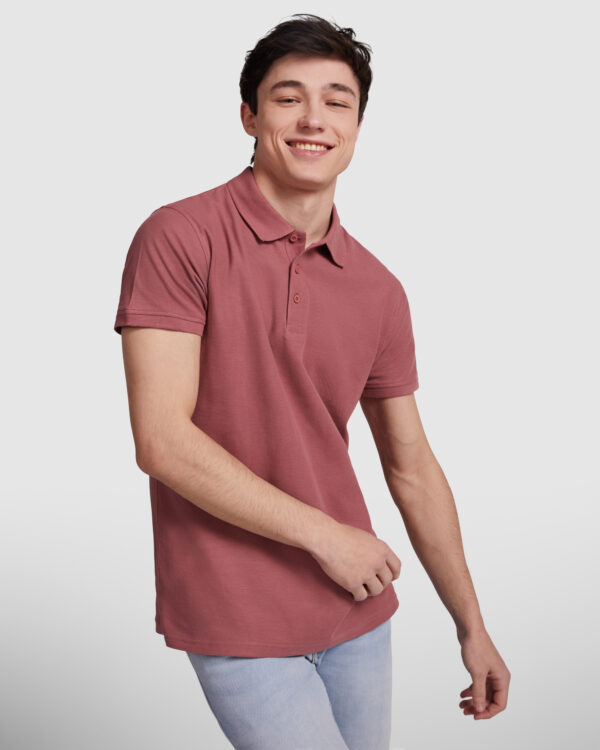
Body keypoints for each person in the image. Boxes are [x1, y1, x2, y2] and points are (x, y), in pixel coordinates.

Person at [113, 12, 510, 750]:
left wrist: (472, 625)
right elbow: (162, 440)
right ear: (248, 115)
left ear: (357, 125)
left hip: (356, 606)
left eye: (337, 100)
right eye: (288, 97)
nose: (313, 119)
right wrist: (328, 537)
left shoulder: (378, 288)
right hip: (237, 608)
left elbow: (411, 466)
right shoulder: (180, 236)